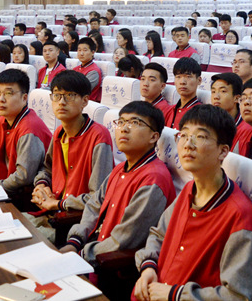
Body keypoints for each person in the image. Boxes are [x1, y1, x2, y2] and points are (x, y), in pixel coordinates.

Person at [133, 105, 252, 301]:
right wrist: (148, 266)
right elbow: (158, 234)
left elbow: (238, 295)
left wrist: (176, 295)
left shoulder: (239, 214)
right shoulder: (188, 190)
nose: (188, 144)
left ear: (223, 151)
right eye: (183, 135)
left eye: (200, 137)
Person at [60, 102, 175, 277]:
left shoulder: (154, 179)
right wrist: (75, 241)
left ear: (154, 137)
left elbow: (125, 239)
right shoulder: (121, 168)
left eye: (135, 123)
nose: (124, 129)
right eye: (121, 122)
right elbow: (94, 205)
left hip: (112, 269)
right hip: (92, 251)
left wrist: (80, 255)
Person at [31, 70, 114, 242]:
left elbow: (98, 197)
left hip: (74, 223)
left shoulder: (99, 137)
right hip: (50, 213)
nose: (61, 102)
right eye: (57, 95)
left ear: (85, 101)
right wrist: (41, 186)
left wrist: (59, 204)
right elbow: (47, 169)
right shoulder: (60, 132)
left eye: (69, 96)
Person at [0, 69, 52, 205]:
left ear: (24, 98)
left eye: (8, 93)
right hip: (7, 188)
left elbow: (24, 176)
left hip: (27, 198)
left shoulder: (29, 129)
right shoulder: (3, 120)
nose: (0, 99)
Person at [168, 57, 203, 129]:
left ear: (199, 80)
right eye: (178, 77)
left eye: (188, 77)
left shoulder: (201, 114)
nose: (182, 82)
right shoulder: (169, 110)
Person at [74, 36, 102, 102]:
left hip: (85, 103)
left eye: (85, 50)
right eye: (79, 50)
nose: (81, 53)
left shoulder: (93, 71)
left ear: (92, 52)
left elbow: (82, 91)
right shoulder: (75, 69)